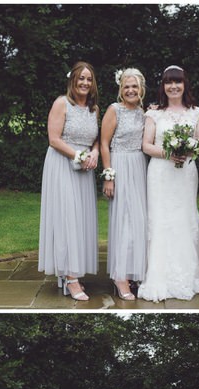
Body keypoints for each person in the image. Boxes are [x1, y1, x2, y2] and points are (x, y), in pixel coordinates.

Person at [137, 65, 199, 302]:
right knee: (160, 220)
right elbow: (146, 145)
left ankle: (188, 274)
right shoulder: (153, 114)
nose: (173, 87)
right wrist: (168, 153)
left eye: (178, 82)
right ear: (163, 86)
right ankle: (158, 275)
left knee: (184, 217)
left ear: (184, 85)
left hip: (185, 173)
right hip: (160, 173)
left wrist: (188, 150)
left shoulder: (197, 113)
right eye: (168, 82)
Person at [37, 61, 100, 301]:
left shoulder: (93, 109)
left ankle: (72, 270)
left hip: (84, 169)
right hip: (62, 165)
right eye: (81, 78)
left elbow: (96, 138)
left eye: (89, 79)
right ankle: (71, 278)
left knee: (80, 219)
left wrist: (93, 153)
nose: (85, 83)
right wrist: (77, 155)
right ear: (72, 81)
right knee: (66, 217)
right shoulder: (61, 103)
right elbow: (54, 139)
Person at [101, 68, 148, 301]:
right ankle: (120, 276)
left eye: (134, 87)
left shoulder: (144, 113)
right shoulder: (114, 110)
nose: (130, 90)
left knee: (139, 220)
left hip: (139, 166)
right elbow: (104, 143)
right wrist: (109, 175)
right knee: (123, 220)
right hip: (119, 163)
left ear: (141, 89)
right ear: (121, 89)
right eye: (126, 87)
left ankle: (133, 271)